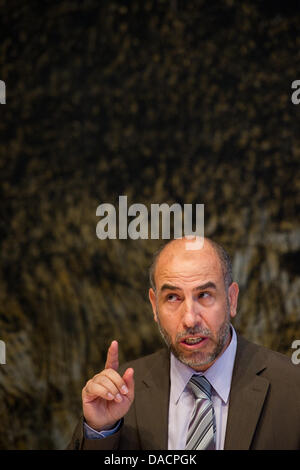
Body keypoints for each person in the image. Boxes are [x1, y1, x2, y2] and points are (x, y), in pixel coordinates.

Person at [68, 237, 300, 450]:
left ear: (231, 299)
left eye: (205, 295)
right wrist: (100, 432)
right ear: (154, 306)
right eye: (172, 297)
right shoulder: (120, 393)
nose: (190, 319)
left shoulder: (292, 387)